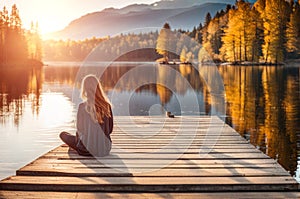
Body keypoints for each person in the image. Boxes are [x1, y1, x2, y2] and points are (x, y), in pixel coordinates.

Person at [60, 74, 113, 157]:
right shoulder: (107, 106)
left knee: (63, 134)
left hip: (85, 150)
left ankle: (76, 146)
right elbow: (109, 130)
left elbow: (80, 129)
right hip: (104, 150)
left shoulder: (82, 106)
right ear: (98, 88)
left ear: (84, 89)